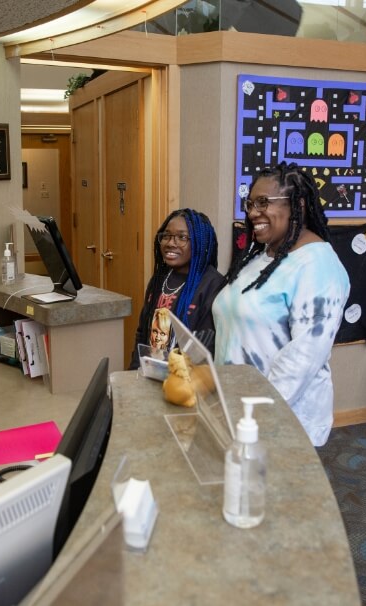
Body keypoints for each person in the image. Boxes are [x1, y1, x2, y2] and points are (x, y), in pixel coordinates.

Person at [213, 162, 350, 447]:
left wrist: (255, 416)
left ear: (297, 205)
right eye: (250, 203)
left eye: (264, 202)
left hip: (282, 423)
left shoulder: (317, 265)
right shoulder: (261, 255)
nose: (253, 213)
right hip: (237, 408)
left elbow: (302, 359)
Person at [130, 208, 225, 370]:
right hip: (151, 372)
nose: (170, 243)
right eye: (166, 236)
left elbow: (205, 348)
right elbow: (142, 333)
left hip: (185, 380)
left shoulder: (212, 284)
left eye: (181, 237)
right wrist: (133, 372)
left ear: (199, 242)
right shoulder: (160, 278)